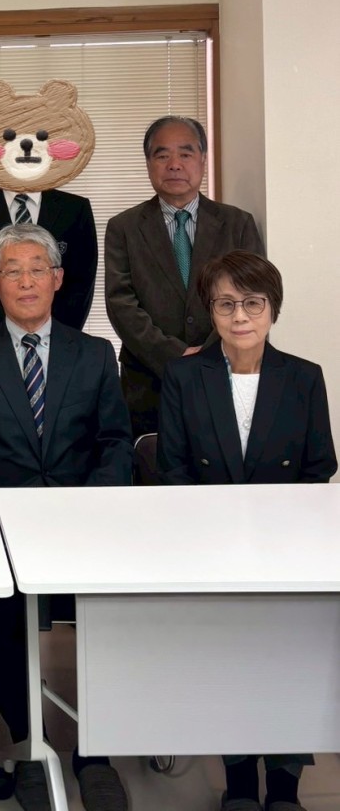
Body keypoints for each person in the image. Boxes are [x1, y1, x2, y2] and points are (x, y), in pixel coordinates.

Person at [0, 223, 132, 811]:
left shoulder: (94, 354)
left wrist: (85, 507)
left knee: (111, 616)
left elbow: (115, 443)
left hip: (82, 523)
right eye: (13, 271)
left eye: (37, 269)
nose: (26, 281)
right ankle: (29, 745)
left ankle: (94, 751)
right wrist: (1, 513)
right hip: (2, 528)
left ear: (59, 279)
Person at [158, 250, 336, 811]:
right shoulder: (184, 377)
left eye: (253, 303)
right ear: (210, 311)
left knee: (287, 664)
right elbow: (174, 470)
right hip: (210, 547)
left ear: (272, 309)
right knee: (229, 663)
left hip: (287, 549)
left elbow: (319, 467)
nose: (240, 316)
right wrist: (209, 537)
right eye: (226, 304)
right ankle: (238, 785)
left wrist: (285, 536)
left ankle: (284, 788)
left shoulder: (303, 377)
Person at [104, 116, 264, 439]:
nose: (174, 164)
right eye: (162, 155)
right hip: (149, 384)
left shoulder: (237, 224)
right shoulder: (123, 227)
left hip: (228, 374)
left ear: (203, 159)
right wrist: (174, 356)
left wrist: (209, 355)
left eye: (186, 153)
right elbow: (121, 303)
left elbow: (253, 299)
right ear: (148, 163)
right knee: (153, 464)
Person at [0, 185, 97, 336]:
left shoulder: (76, 207)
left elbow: (82, 282)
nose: (26, 283)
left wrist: (48, 331)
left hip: (62, 336)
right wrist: (14, 334)